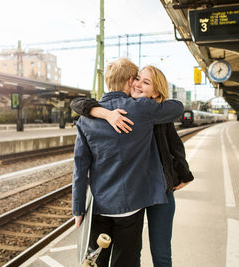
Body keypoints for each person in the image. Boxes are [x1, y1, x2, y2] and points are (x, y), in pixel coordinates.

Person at [71, 65, 194, 267]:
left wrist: (78, 209)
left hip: (121, 199)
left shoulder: (86, 120)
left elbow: (79, 170)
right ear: (129, 80)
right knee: (128, 258)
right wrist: (105, 113)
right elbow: (76, 103)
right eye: (137, 79)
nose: (138, 84)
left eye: (145, 81)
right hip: (131, 203)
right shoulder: (141, 109)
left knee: (104, 260)